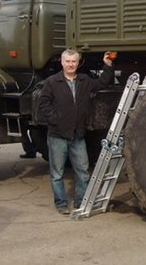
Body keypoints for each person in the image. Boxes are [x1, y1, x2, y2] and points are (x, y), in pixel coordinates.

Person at [37, 49, 114, 214]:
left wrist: (107, 65)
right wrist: (56, 120)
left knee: (83, 173)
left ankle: (80, 202)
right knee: (57, 174)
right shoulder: (52, 82)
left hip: (77, 136)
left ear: (78, 63)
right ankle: (61, 204)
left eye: (74, 62)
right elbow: (43, 104)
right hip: (57, 135)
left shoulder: (84, 80)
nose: (71, 64)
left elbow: (102, 83)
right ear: (62, 62)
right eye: (68, 61)